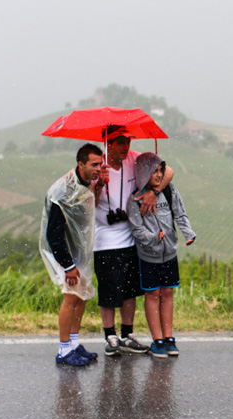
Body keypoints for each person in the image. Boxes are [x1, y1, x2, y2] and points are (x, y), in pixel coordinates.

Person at [94, 125, 174, 357]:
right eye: (120, 142)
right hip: (105, 239)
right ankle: (110, 335)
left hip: (131, 236)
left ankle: (127, 334)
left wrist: (155, 191)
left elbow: (169, 171)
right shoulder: (98, 165)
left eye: (128, 141)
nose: (126, 146)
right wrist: (100, 183)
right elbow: (90, 201)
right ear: (108, 142)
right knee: (108, 290)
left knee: (130, 290)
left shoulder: (134, 159)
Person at [127, 153, 196, 358]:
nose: (158, 175)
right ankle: (157, 340)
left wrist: (188, 233)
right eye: (153, 171)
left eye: (160, 170)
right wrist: (153, 238)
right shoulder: (136, 199)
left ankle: (169, 338)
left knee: (168, 294)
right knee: (153, 294)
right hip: (149, 256)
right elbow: (137, 230)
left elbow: (180, 213)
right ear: (143, 173)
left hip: (170, 253)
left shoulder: (169, 191)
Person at [40, 143, 103, 366]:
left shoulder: (85, 183)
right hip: (64, 253)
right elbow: (53, 235)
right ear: (80, 164)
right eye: (94, 164)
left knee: (81, 296)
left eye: (100, 163)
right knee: (70, 297)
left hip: (80, 251)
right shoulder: (62, 191)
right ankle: (64, 349)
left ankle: (75, 344)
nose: (98, 168)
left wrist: (99, 184)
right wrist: (68, 266)